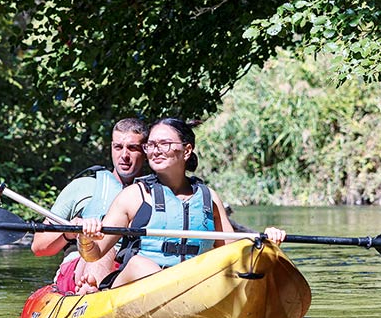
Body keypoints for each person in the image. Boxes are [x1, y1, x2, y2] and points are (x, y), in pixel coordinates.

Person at [75, 117, 285, 288]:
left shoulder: (208, 198)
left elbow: (232, 253)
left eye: (164, 144)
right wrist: (86, 237)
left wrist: (265, 242)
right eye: (151, 145)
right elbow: (94, 254)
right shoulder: (133, 196)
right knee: (139, 264)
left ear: (187, 150)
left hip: (193, 287)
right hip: (135, 288)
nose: (156, 150)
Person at [33, 117, 150, 294]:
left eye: (132, 148)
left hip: (130, 269)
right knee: (103, 251)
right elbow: (39, 247)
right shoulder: (82, 187)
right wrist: (69, 232)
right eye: (118, 147)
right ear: (111, 148)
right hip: (83, 264)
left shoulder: (157, 192)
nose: (124, 155)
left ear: (146, 150)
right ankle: (91, 290)